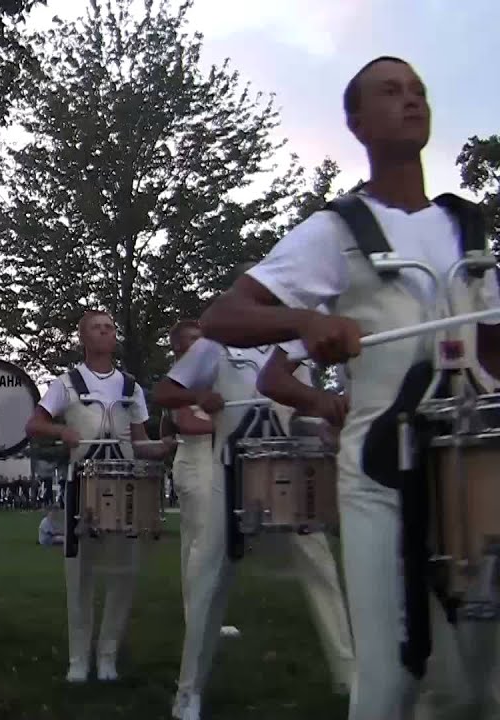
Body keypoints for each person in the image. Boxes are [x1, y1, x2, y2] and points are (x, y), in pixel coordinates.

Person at [198, 56, 500, 720]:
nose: (411, 100)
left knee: (478, 685)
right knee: (388, 680)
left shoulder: (469, 231)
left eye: (419, 89)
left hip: (471, 467)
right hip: (380, 476)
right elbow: (224, 315)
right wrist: (306, 318)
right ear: (357, 122)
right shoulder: (337, 231)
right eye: (391, 91)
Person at [153, 300, 356, 719]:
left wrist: (324, 417)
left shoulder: (295, 345)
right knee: (210, 579)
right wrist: (199, 396)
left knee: (321, 568)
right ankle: (188, 692)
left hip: (288, 470)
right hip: (229, 470)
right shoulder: (216, 344)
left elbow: (298, 408)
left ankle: (348, 675)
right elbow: (165, 392)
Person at [23, 310, 175, 683]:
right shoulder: (67, 383)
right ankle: (79, 660)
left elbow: (139, 442)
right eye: (98, 328)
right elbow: (34, 424)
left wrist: (166, 446)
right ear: (84, 339)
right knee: (80, 576)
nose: (107, 333)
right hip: (81, 483)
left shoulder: (130, 387)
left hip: (124, 486)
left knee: (124, 573)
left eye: (110, 328)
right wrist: (62, 431)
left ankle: (107, 656)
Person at [161, 321, 233, 633]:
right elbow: (186, 423)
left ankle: (201, 614)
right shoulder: (181, 382)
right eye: (192, 340)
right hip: (194, 461)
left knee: (200, 540)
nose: (200, 346)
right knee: (201, 541)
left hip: (211, 460)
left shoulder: (204, 377)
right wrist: (228, 425)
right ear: (177, 347)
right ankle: (200, 618)